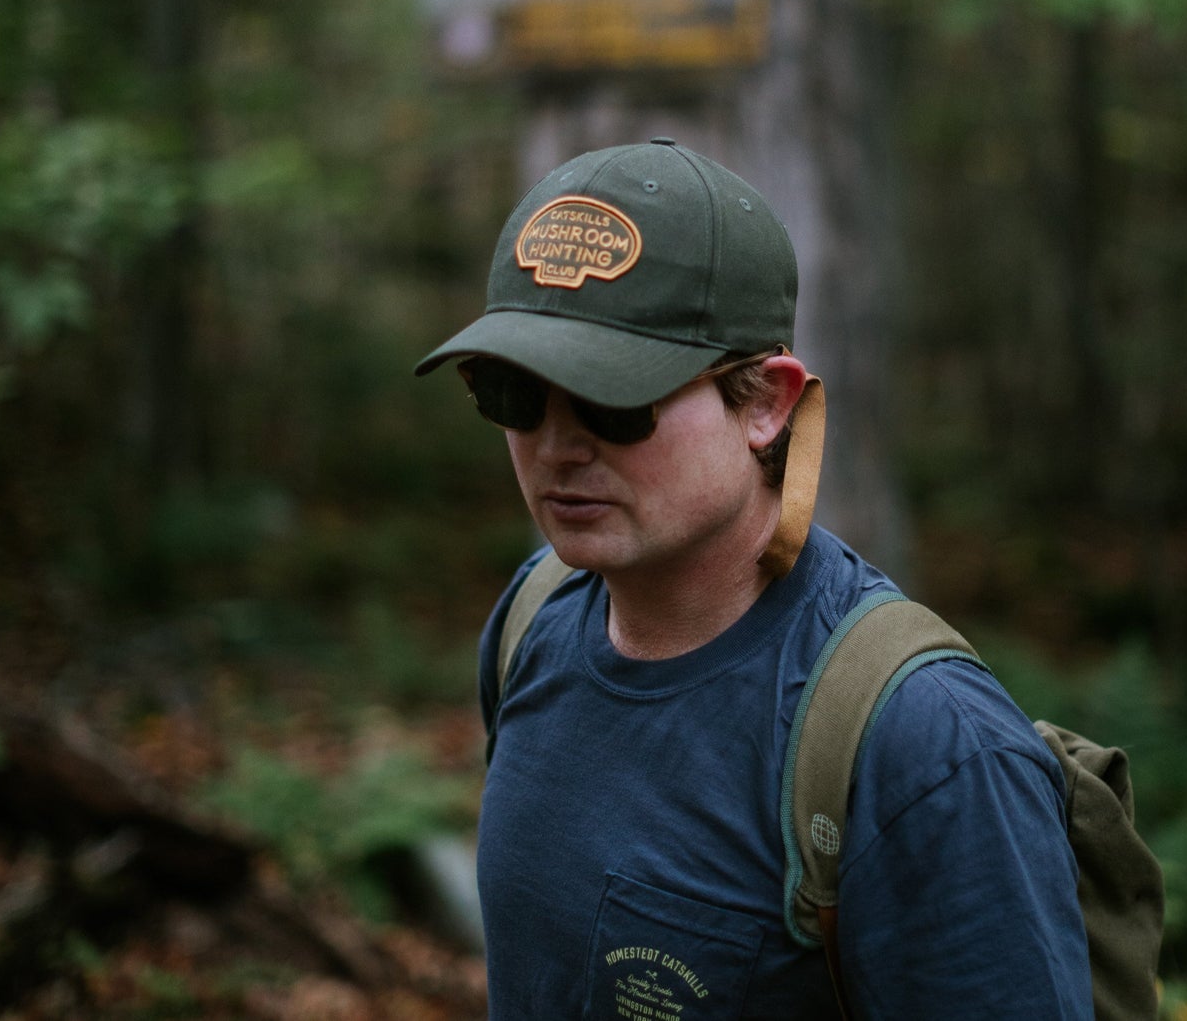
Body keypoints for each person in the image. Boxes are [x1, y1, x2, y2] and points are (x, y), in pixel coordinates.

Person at [415, 138, 1092, 1019]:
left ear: (766, 402)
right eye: (511, 393)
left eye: (612, 399)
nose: (555, 444)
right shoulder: (530, 624)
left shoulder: (924, 746)